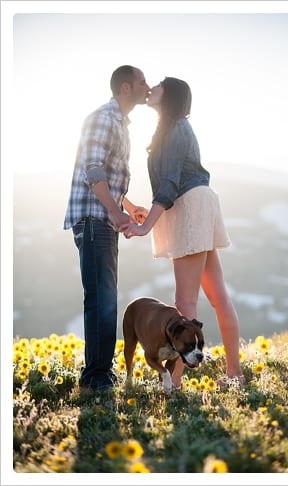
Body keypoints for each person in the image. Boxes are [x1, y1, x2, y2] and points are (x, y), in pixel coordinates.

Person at [121, 76, 244, 389]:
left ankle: (175, 382)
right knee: (217, 296)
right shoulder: (171, 128)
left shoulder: (176, 128)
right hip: (194, 203)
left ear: (170, 95)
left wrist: (147, 224)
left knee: (184, 302)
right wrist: (150, 213)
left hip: (189, 207)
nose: (153, 88)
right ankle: (234, 374)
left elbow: (171, 183)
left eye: (159, 84)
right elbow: (171, 183)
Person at [63, 65, 150, 393]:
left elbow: (109, 178)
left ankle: (99, 374)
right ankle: (96, 378)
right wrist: (115, 213)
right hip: (95, 219)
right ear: (126, 88)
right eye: (142, 81)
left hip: (103, 218)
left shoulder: (120, 123)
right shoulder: (103, 118)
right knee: (102, 298)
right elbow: (93, 169)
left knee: (104, 296)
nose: (148, 86)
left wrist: (128, 207)